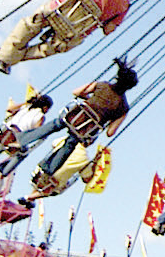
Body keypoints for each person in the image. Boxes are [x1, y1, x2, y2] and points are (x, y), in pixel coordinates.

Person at [13, 60, 139, 203]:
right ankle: (48, 172)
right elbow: (110, 132)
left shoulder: (102, 85)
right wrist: (108, 120)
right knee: (68, 146)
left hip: (73, 116)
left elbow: (77, 92)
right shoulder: (123, 107)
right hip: (84, 130)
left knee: (53, 125)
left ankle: (21, 140)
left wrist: (89, 99)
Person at [0, 0, 135, 72]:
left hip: (56, 11)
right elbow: (107, 30)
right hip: (73, 32)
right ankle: (10, 59)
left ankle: (5, 56)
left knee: (29, 25)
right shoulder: (124, 3)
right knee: (49, 48)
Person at [0, 92, 55, 182]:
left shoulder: (25, 108)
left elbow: (9, 109)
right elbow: (36, 132)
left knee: (4, 141)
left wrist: (26, 102)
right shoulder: (41, 116)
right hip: (19, 136)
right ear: (45, 107)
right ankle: (1, 175)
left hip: (7, 131)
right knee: (22, 154)